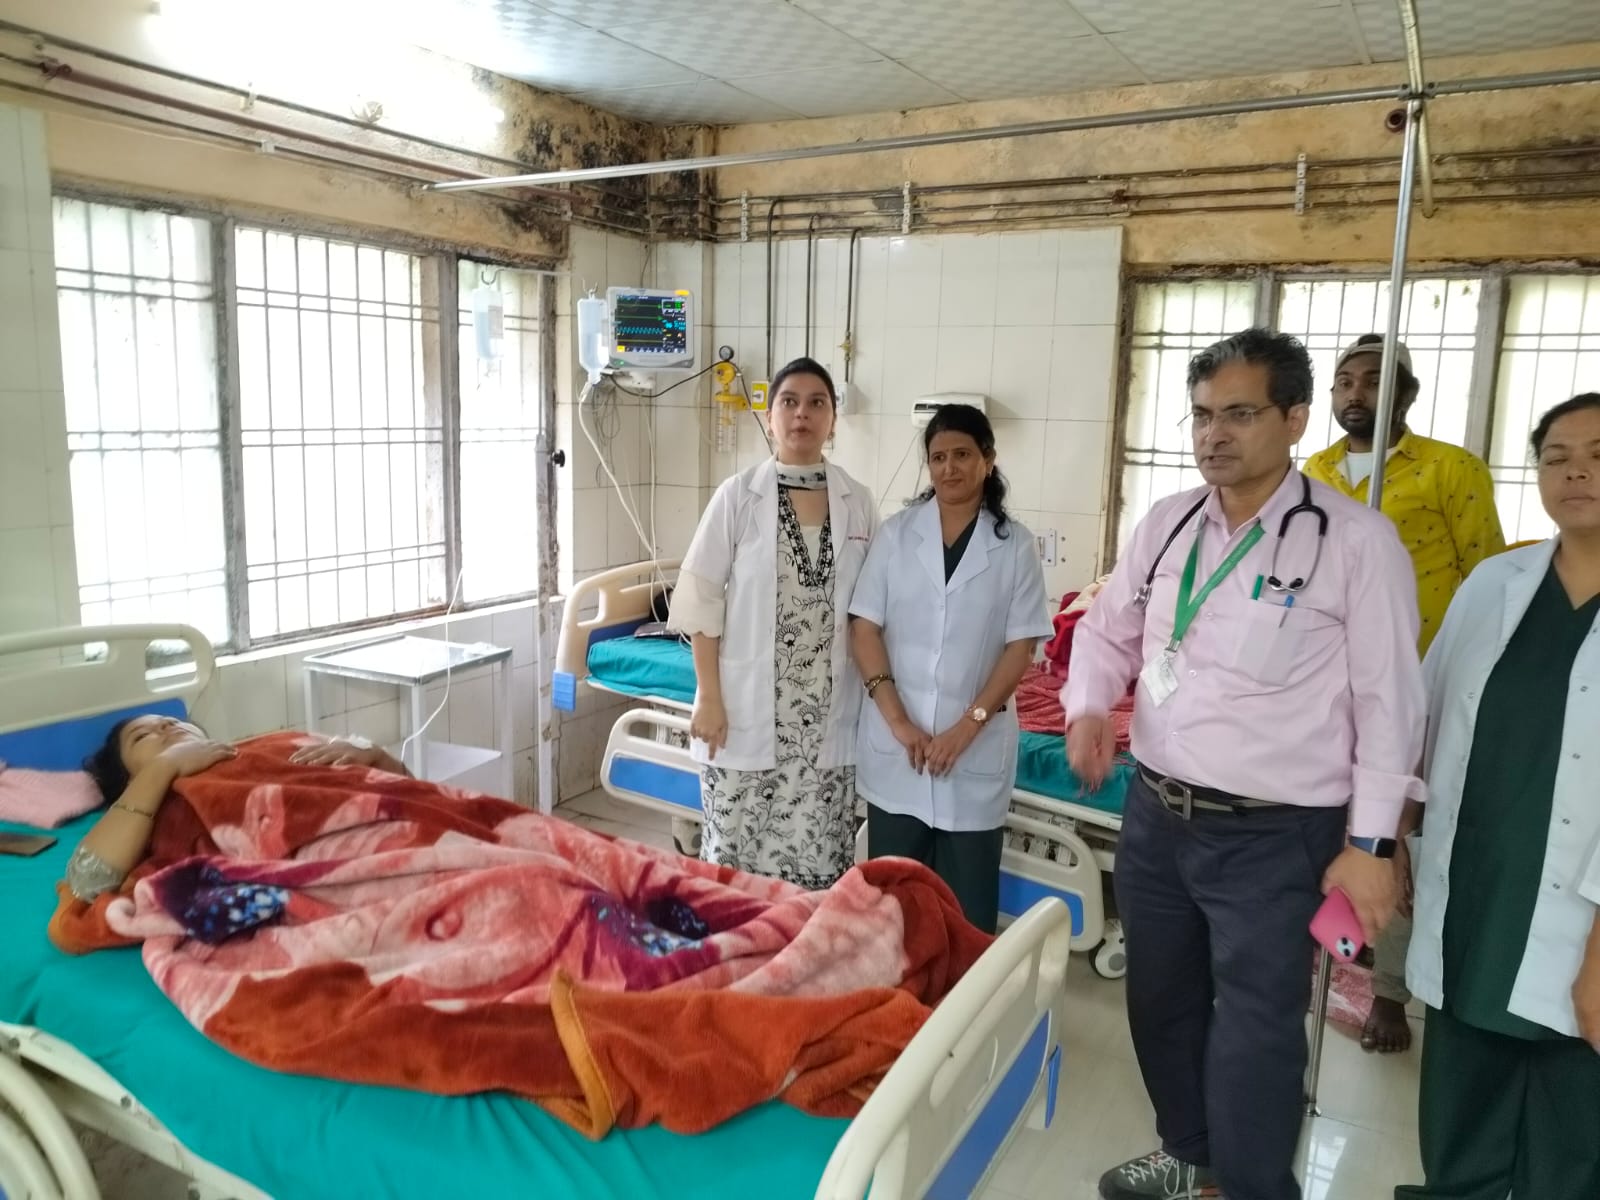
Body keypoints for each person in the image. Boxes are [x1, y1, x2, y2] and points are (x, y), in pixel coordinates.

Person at [1065, 328, 1425, 1200]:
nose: (1213, 434)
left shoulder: (1353, 541)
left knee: (1257, 1028)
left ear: (1294, 419)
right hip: (1157, 814)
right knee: (1161, 1001)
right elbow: (1109, 629)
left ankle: (1254, 1185)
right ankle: (1189, 1155)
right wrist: (1088, 707)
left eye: (1239, 414)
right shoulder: (1168, 523)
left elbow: (1390, 702)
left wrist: (1372, 845)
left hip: (1275, 836)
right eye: (1200, 415)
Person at [1395, 392, 1600, 1200]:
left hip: (1587, 924)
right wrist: (1392, 837)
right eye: (1557, 456)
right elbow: (1426, 715)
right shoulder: (1494, 582)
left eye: (1598, 455)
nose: (1576, 471)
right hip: (1478, 899)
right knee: (1459, 1123)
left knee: (1572, 1148)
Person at [1303, 333, 1507, 1054]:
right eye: (1344, 381)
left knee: (1397, 840)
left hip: (1415, 685)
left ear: (1408, 394)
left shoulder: (1451, 470)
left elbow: (1487, 576)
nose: (1355, 392)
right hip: (1327, 686)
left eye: (1373, 379)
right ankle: (1326, 957)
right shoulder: (1314, 473)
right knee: (1329, 828)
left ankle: (1390, 993)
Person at [667, 357, 877, 889]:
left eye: (816, 403)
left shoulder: (857, 502)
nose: (802, 414)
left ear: (833, 419)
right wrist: (708, 695)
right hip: (744, 714)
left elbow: (872, 609)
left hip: (826, 722)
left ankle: (804, 942)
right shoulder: (738, 496)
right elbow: (702, 602)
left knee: (819, 865)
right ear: (769, 416)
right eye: (789, 402)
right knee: (732, 860)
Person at [847, 404, 1052, 933]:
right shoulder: (896, 535)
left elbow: (1020, 647)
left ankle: (963, 990)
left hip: (974, 751)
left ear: (988, 460)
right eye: (938, 457)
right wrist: (898, 722)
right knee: (893, 909)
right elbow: (864, 628)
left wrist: (968, 726)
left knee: (967, 913)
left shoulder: (1015, 546)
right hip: (900, 749)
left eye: (962, 454)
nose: (949, 467)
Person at [67, 714, 405, 902]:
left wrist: (377, 758)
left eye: (169, 721)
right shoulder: (162, 798)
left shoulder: (276, 740)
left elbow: (411, 793)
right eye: (142, 737)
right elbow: (87, 881)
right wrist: (164, 767)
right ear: (131, 781)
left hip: (398, 833)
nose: (165, 727)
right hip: (347, 868)